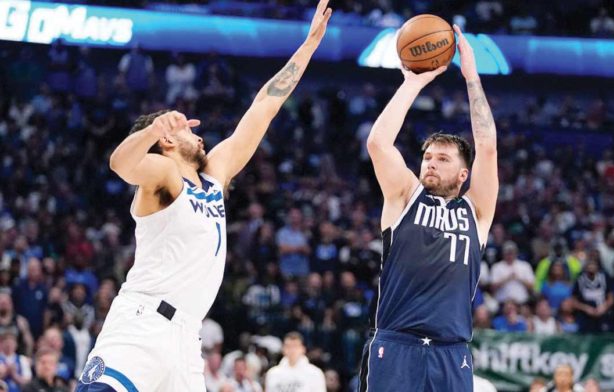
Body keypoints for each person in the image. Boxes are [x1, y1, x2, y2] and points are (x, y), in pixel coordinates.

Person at [75, 2, 333, 390]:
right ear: (165, 140)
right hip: (142, 324)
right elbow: (120, 164)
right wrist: (151, 130)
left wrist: (309, 45)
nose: (198, 132)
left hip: (185, 338)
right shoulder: (163, 174)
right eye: (183, 127)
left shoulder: (213, 174)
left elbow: (263, 107)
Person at [358, 24, 498, 391]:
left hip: (452, 353)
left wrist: (471, 77)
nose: (431, 163)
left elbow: (487, 147)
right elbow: (377, 143)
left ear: (464, 173)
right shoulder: (405, 195)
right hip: (396, 344)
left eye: (443, 158)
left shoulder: (477, 211)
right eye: (427, 157)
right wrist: (413, 83)